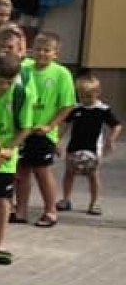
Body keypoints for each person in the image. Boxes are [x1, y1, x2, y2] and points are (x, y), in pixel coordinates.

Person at [14, 31, 76, 226]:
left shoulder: (61, 74)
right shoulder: (24, 68)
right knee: (21, 171)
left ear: (55, 53)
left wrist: (50, 126)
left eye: (46, 50)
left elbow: (68, 105)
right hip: (23, 130)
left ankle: (50, 210)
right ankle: (20, 211)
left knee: (42, 172)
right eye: (38, 49)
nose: (41, 53)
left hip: (43, 133)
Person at [0, 51, 33, 265]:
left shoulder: (21, 94)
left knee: (2, 200)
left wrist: (9, 149)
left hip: (5, 156)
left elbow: (25, 128)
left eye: (9, 83)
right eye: (1, 82)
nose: (4, 87)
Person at [59, 75, 121, 215]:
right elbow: (65, 125)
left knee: (93, 175)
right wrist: (57, 141)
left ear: (97, 93)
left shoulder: (103, 109)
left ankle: (94, 203)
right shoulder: (76, 109)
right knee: (69, 173)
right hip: (74, 147)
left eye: (88, 96)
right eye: (81, 96)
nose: (85, 99)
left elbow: (116, 126)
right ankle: (65, 199)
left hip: (93, 149)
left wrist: (111, 140)